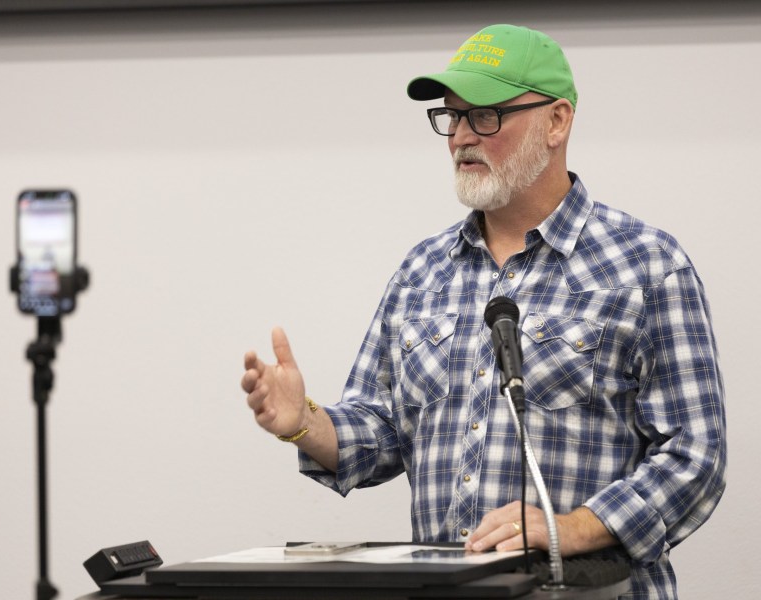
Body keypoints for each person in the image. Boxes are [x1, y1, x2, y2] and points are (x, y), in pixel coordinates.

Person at [240, 24, 726, 599]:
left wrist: (571, 528)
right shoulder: (422, 270)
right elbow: (381, 433)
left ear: (557, 121)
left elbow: (695, 457)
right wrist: (305, 421)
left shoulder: (646, 265)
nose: (461, 137)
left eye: (486, 116)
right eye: (452, 117)